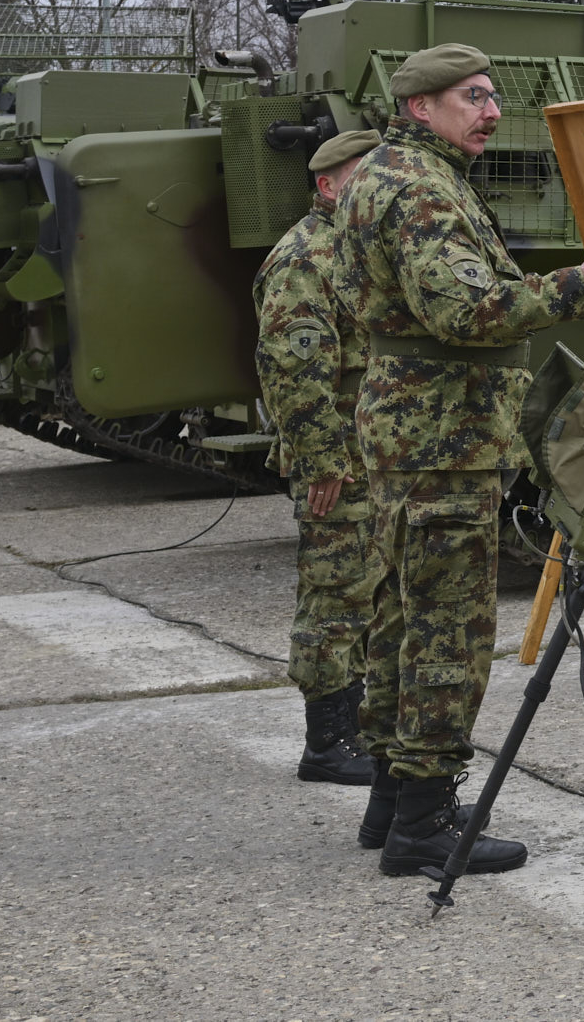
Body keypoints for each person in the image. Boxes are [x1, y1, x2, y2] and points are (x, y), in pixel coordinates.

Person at [333, 45, 584, 877]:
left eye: (492, 96)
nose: (491, 110)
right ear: (421, 106)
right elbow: (468, 310)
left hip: (413, 434)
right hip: (443, 442)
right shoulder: (420, 190)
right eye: (472, 97)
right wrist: (578, 284)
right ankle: (424, 826)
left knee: (402, 617)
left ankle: (393, 804)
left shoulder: (382, 175)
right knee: (448, 631)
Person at [254, 128, 387, 789]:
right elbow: (296, 368)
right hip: (338, 458)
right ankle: (327, 742)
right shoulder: (309, 254)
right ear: (328, 185)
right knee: (334, 593)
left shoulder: (358, 246)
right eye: (361, 178)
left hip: (370, 454)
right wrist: (325, 461)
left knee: (362, 591)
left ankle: (352, 727)